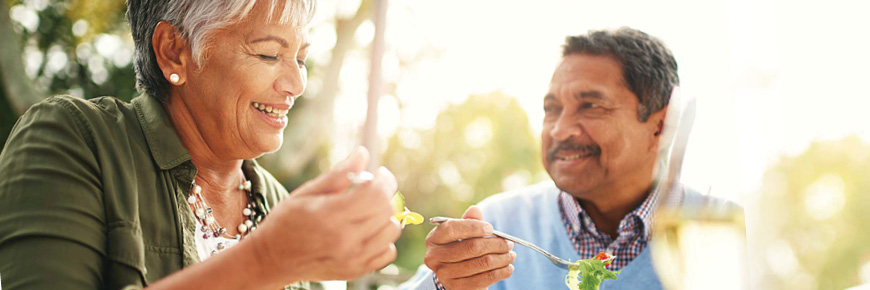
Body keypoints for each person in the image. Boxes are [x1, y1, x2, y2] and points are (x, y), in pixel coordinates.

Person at [0, 0, 402, 289]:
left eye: (300, 58)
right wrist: (265, 262)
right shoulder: (76, 140)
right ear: (174, 51)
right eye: (267, 54)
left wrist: (437, 284)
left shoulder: (279, 202)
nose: (296, 84)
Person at [400, 27, 739, 290]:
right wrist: (443, 284)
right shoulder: (497, 224)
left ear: (661, 125)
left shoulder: (727, 230)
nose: (560, 130)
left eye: (590, 105)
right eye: (552, 109)